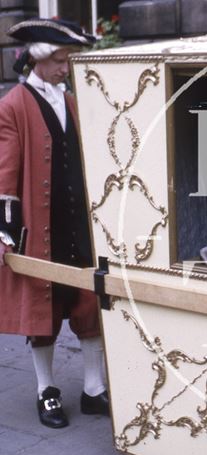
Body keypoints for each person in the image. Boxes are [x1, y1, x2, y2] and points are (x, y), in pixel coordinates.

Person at [0, 18, 109, 429]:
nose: (66, 68)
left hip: (78, 225)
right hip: (41, 228)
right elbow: (4, 176)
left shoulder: (72, 100)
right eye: (61, 60)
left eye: (68, 60)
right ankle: (46, 391)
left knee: (88, 304)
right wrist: (6, 234)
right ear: (40, 59)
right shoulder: (12, 105)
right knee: (43, 316)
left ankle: (93, 390)